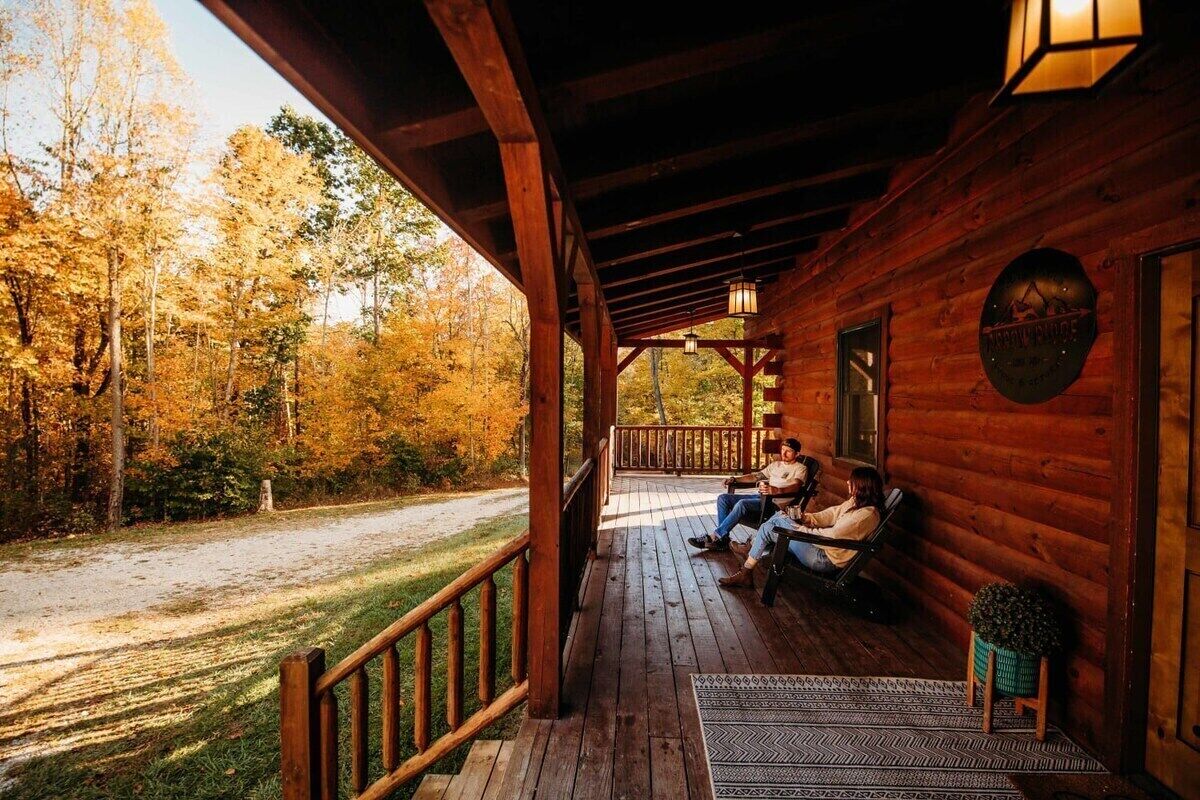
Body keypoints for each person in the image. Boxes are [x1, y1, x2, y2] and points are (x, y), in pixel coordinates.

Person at [718, 466, 886, 589]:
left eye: (853, 481)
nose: (849, 482)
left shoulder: (866, 515)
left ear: (863, 486)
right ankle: (748, 565)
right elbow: (831, 514)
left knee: (777, 522)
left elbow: (832, 536)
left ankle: (749, 558)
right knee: (779, 519)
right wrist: (805, 518)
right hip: (822, 547)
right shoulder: (855, 503)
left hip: (825, 558)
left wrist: (801, 530)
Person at [688, 437, 807, 551]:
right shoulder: (775, 465)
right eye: (783, 450)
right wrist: (735, 479)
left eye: (789, 451)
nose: (784, 454)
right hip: (761, 498)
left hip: (775, 504)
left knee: (742, 504)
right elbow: (756, 476)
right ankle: (722, 539)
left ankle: (716, 536)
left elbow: (796, 486)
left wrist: (777, 491)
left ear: (797, 454)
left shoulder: (800, 468)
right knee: (723, 498)